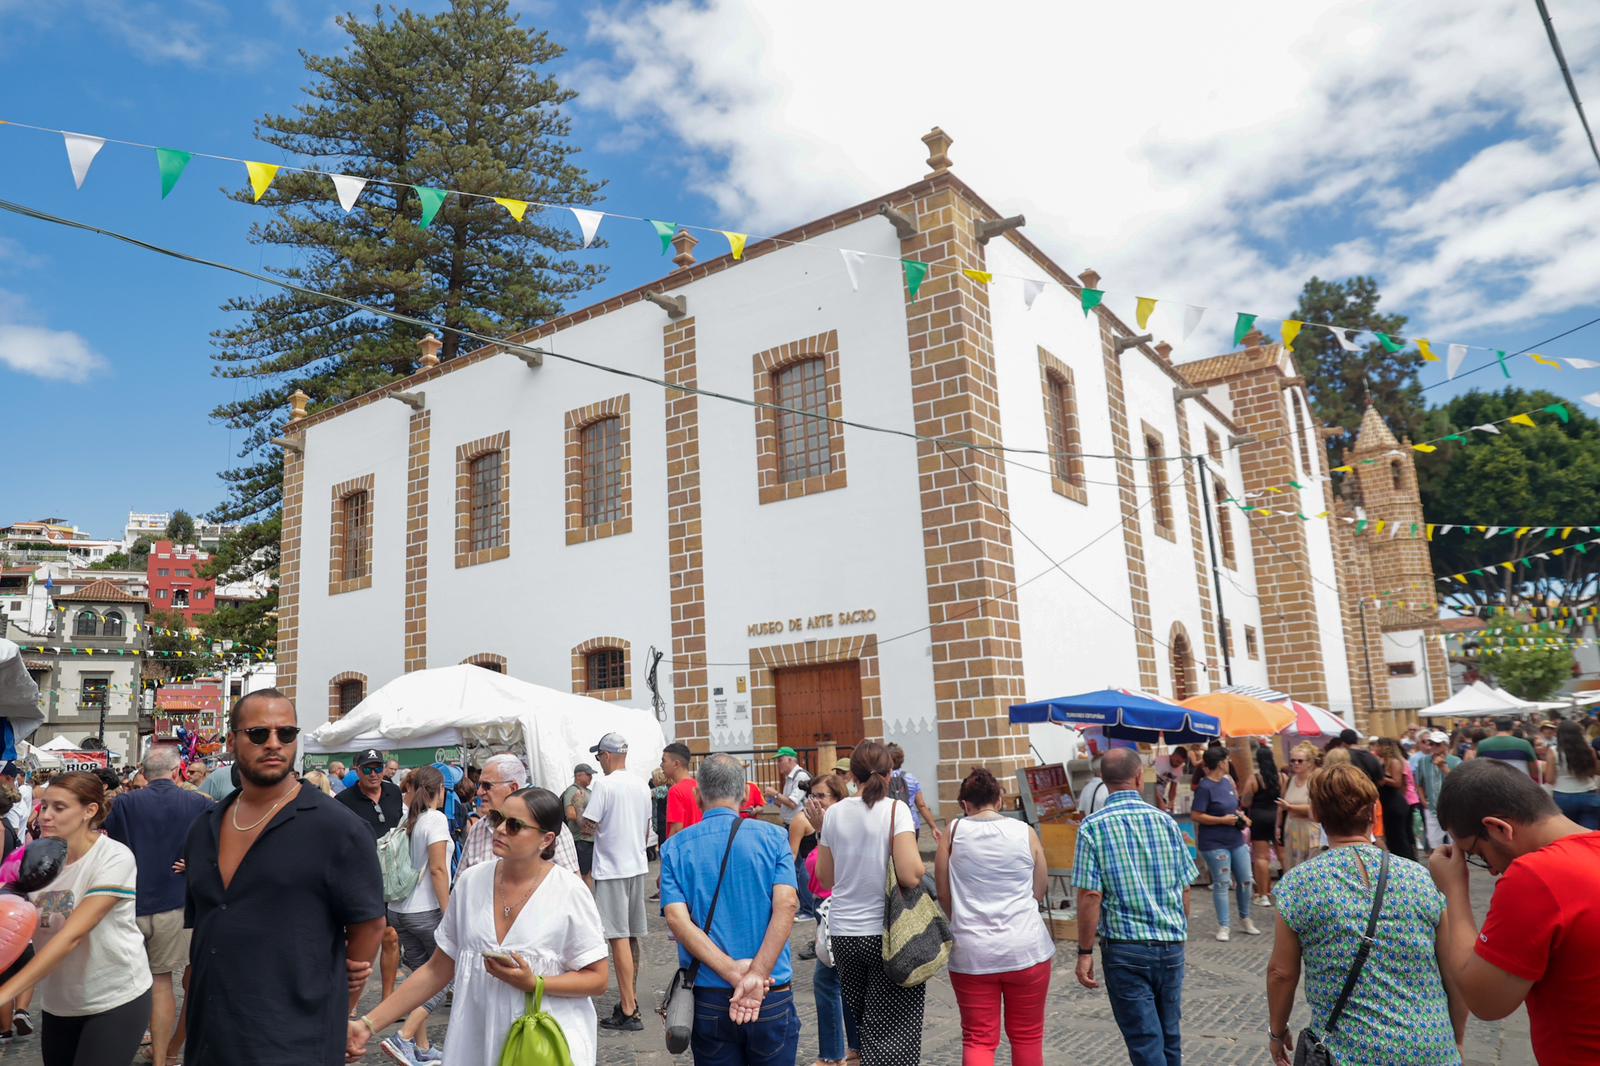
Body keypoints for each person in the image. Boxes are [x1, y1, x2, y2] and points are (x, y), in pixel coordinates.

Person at [181, 689, 386, 1065]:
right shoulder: (203, 828)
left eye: (286, 734)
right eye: (259, 734)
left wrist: (345, 1003)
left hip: (295, 1038)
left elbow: (370, 924)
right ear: (232, 741)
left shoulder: (338, 828)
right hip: (211, 1037)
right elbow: (206, 931)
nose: (274, 744)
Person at [348, 787, 611, 1066]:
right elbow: (437, 969)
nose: (499, 830)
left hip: (543, 1045)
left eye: (514, 826)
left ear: (545, 840)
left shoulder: (569, 892)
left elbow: (598, 978)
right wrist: (367, 1025)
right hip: (475, 1041)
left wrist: (535, 983)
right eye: (498, 818)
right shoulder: (471, 883)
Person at [1266, 764, 1463, 1066]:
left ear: (1316, 813)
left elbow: (1282, 973)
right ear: (1373, 811)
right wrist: (1455, 1038)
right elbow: (1453, 970)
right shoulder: (1419, 878)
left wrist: (1277, 1033)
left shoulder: (1299, 884)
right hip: (1429, 1045)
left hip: (1349, 1050)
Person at [1430, 759, 1600, 1062]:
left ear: (1498, 828)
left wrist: (1453, 890)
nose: (1493, 871)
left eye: (1478, 855)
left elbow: (1486, 1001)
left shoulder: (1537, 875)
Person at [0, 773, 151, 1064]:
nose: (45, 816)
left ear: (89, 811)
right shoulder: (29, 859)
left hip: (114, 998)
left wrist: (7, 991)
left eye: (59, 808)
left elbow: (72, 935)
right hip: (60, 1002)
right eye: (44, 807)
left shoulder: (114, 857)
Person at [661, 753, 800, 1064]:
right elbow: (787, 905)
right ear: (742, 794)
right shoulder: (775, 838)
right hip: (769, 989)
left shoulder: (674, 848)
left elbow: (677, 920)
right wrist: (756, 973)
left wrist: (732, 972)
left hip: (710, 992)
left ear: (698, 796)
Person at [1073, 747, 1195, 1066]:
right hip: (1170, 943)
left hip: (1125, 948)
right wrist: (1180, 927)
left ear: (1103, 780)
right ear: (1140, 778)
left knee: (1145, 1040)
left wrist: (1084, 952)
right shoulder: (1166, 823)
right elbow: (1185, 887)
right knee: (1170, 1035)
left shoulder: (1091, 827)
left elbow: (1089, 896)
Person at [816, 740, 926, 1066]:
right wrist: (918, 867)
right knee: (893, 1030)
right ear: (890, 773)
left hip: (845, 934)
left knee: (866, 1025)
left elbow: (824, 877)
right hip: (885, 933)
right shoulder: (896, 810)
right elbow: (910, 875)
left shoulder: (833, 813)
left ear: (852, 774)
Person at [102, 746, 212, 1066]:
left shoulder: (122, 804)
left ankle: (116, 1050)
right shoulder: (197, 803)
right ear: (178, 771)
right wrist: (194, 863)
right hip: (173, 903)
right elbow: (218, 844)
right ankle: (162, 1058)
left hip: (129, 903)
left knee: (126, 985)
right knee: (161, 982)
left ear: (143, 772)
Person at [936, 767, 1053, 1066]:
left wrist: (960, 919)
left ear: (964, 804)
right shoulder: (1024, 831)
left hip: (973, 951)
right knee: (1028, 1035)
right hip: (1027, 947)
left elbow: (943, 892)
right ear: (999, 800)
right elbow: (1040, 887)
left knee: (978, 1038)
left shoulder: (954, 832)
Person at [379, 765, 453, 1066]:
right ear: (440, 790)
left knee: (421, 977)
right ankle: (405, 1036)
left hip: (398, 910)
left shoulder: (406, 818)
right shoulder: (435, 819)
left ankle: (421, 1048)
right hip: (425, 911)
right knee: (446, 976)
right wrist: (449, 912)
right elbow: (438, 869)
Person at [581, 732, 652, 1032]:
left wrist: (587, 823)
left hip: (611, 867)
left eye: (599, 757)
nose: (599, 762)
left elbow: (589, 823)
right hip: (637, 864)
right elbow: (647, 825)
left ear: (607, 756)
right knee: (631, 936)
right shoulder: (641, 784)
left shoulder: (604, 785)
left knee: (617, 937)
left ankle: (628, 1007)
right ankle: (630, 998)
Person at [791, 774, 859, 1065]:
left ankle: (833, 1055)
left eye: (822, 796)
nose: (815, 802)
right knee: (840, 983)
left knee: (827, 982)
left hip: (840, 910)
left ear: (838, 800)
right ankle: (851, 1050)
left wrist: (822, 833)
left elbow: (829, 873)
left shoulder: (842, 829)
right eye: (813, 796)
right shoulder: (816, 826)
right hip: (824, 910)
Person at [336, 747, 405, 999]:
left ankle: (388, 997)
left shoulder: (394, 792)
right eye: (368, 769)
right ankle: (352, 999)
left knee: (391, 935)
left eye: (378, 768)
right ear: (357, 771)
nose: (374, 774)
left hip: (393, 875)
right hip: (362, 876)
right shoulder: (344, 800)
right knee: (360, 938)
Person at [1191, 746, 1258, 940]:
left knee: (1245, 879)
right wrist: (1221, 820)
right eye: (1227, 760)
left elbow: (1233, 807)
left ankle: (1245, 918)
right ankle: (1224, 925)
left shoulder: (1228, 782)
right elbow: (1196, 815)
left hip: (1235, 839)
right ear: (1221, 763)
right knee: (1222, 882)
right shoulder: (1205, 787)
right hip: (1214, 842)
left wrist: (1241, 817)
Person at [1244, 739, 1282, 907]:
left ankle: (1263, 894)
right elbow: (1283, 798)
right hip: (1277, 817)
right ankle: (1290, 891)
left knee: (1261, 857)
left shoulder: (1255, 778)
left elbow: (1245, 801)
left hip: (1259, 818)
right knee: (1283, 856)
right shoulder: (1282, 777)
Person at [1544, 719, 1599, 830]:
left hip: (1563, 796)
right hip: (1589, 794)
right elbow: (1596, 771)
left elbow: (1549, 779)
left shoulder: (1553, 751)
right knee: (1589, 834)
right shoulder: (1589, 750)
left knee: (1568, 835)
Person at [1276, 742, 1319, 870]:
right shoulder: (1289, 780)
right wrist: (1278, 826)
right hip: (1292, 828)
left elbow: (1314, 808)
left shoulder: (1314, 781)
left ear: (1310, 763)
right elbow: (1281, 803)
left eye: (1300, 761)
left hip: (1309, 829)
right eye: (1293, 761)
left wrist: (1290, 808)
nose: (1295, 764)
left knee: (1310, 866)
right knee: (1293, 866)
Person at [885, 742, 940, 843]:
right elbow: (921, 805)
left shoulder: (883, 779)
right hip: (911, 823)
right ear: (901, 760)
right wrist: (933, 827)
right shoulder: (910, 778)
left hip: (891, 824)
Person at [1415, 731, 1460, 850]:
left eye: (1437, 744)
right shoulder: (1423, 762)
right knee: (1434, 842)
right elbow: (1419, 783)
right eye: (1432, 744)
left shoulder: (1455, 761)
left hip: (1452, 807)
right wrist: (1423, 800)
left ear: (1445, 745)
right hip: (1432, 807)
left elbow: (1458, 782)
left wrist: (1443, 767)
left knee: (1454, 842)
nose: (1433, 747)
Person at [1374, 738, 1417, 860]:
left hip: (1394, 802)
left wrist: (1383, 779)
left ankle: (1406, 859)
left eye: (1377, 746)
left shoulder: (1394, 762)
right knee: (1392, 835)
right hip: (1386, 802)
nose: (1375, 749)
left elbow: (1397, 782)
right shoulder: (1383, 761)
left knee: (1399, 835)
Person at [561, 763, 596, 885]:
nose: (591, 777)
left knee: (589, 873)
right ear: (578, 776)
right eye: (588, 775)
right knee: (584, 874)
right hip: (581, 839)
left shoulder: (588, 791)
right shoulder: (573, 791)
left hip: (590, 839)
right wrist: (591, 820)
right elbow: (570, 814)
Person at [764, 746, 812, 825]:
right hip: (791, 823)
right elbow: (787, 805)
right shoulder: (790, 777)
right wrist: (773, 799)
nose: (778, 764)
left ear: (790, 760)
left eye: (780, 760)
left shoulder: (800, 776)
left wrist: (775, 794)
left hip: (799, 824)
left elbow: (792, 804)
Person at [661, 742, 700, 839]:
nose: (661, 765)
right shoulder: (699, 786)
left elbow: (676, 830)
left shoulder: (675, 791)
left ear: (676, 764)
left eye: (664, 761)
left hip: (684, 849)